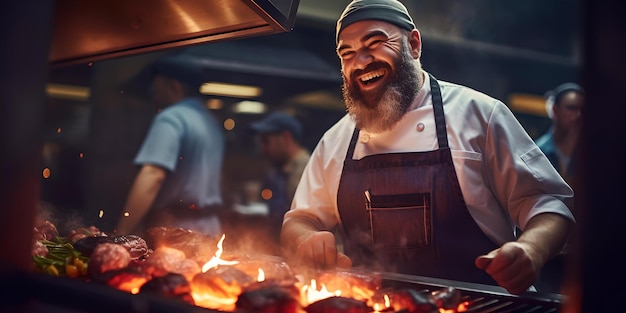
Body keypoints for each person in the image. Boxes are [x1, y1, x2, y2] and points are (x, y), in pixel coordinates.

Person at [280, 0, 576, 295]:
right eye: (347, 53)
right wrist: (306, 239)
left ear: (414, 44)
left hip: (480, 304)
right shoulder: (337, 139)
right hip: (374, 303)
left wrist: (531, 249)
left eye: (376, 42)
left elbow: (549, 204)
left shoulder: (479, 115)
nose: (360, 61)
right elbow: (299, 220)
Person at [115, 57, 225, 237]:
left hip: (177, 231)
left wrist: (122, 233)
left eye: (157, 89)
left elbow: (153, 174)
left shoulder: (171, 117)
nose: (154, 95)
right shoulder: (212, 122)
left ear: (174, 87)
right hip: (211, 228)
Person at [250, 111, 311, 244]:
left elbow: (308, 225)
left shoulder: (305, 171)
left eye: (266, 141)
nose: (262, 148)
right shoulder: (280, 170)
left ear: (286, 137)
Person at [536, 83, 584, 185]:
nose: (578, 115)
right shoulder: (539, 152)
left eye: (583, 110)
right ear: (555, 110)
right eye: (571, 108)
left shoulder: (592, 154)